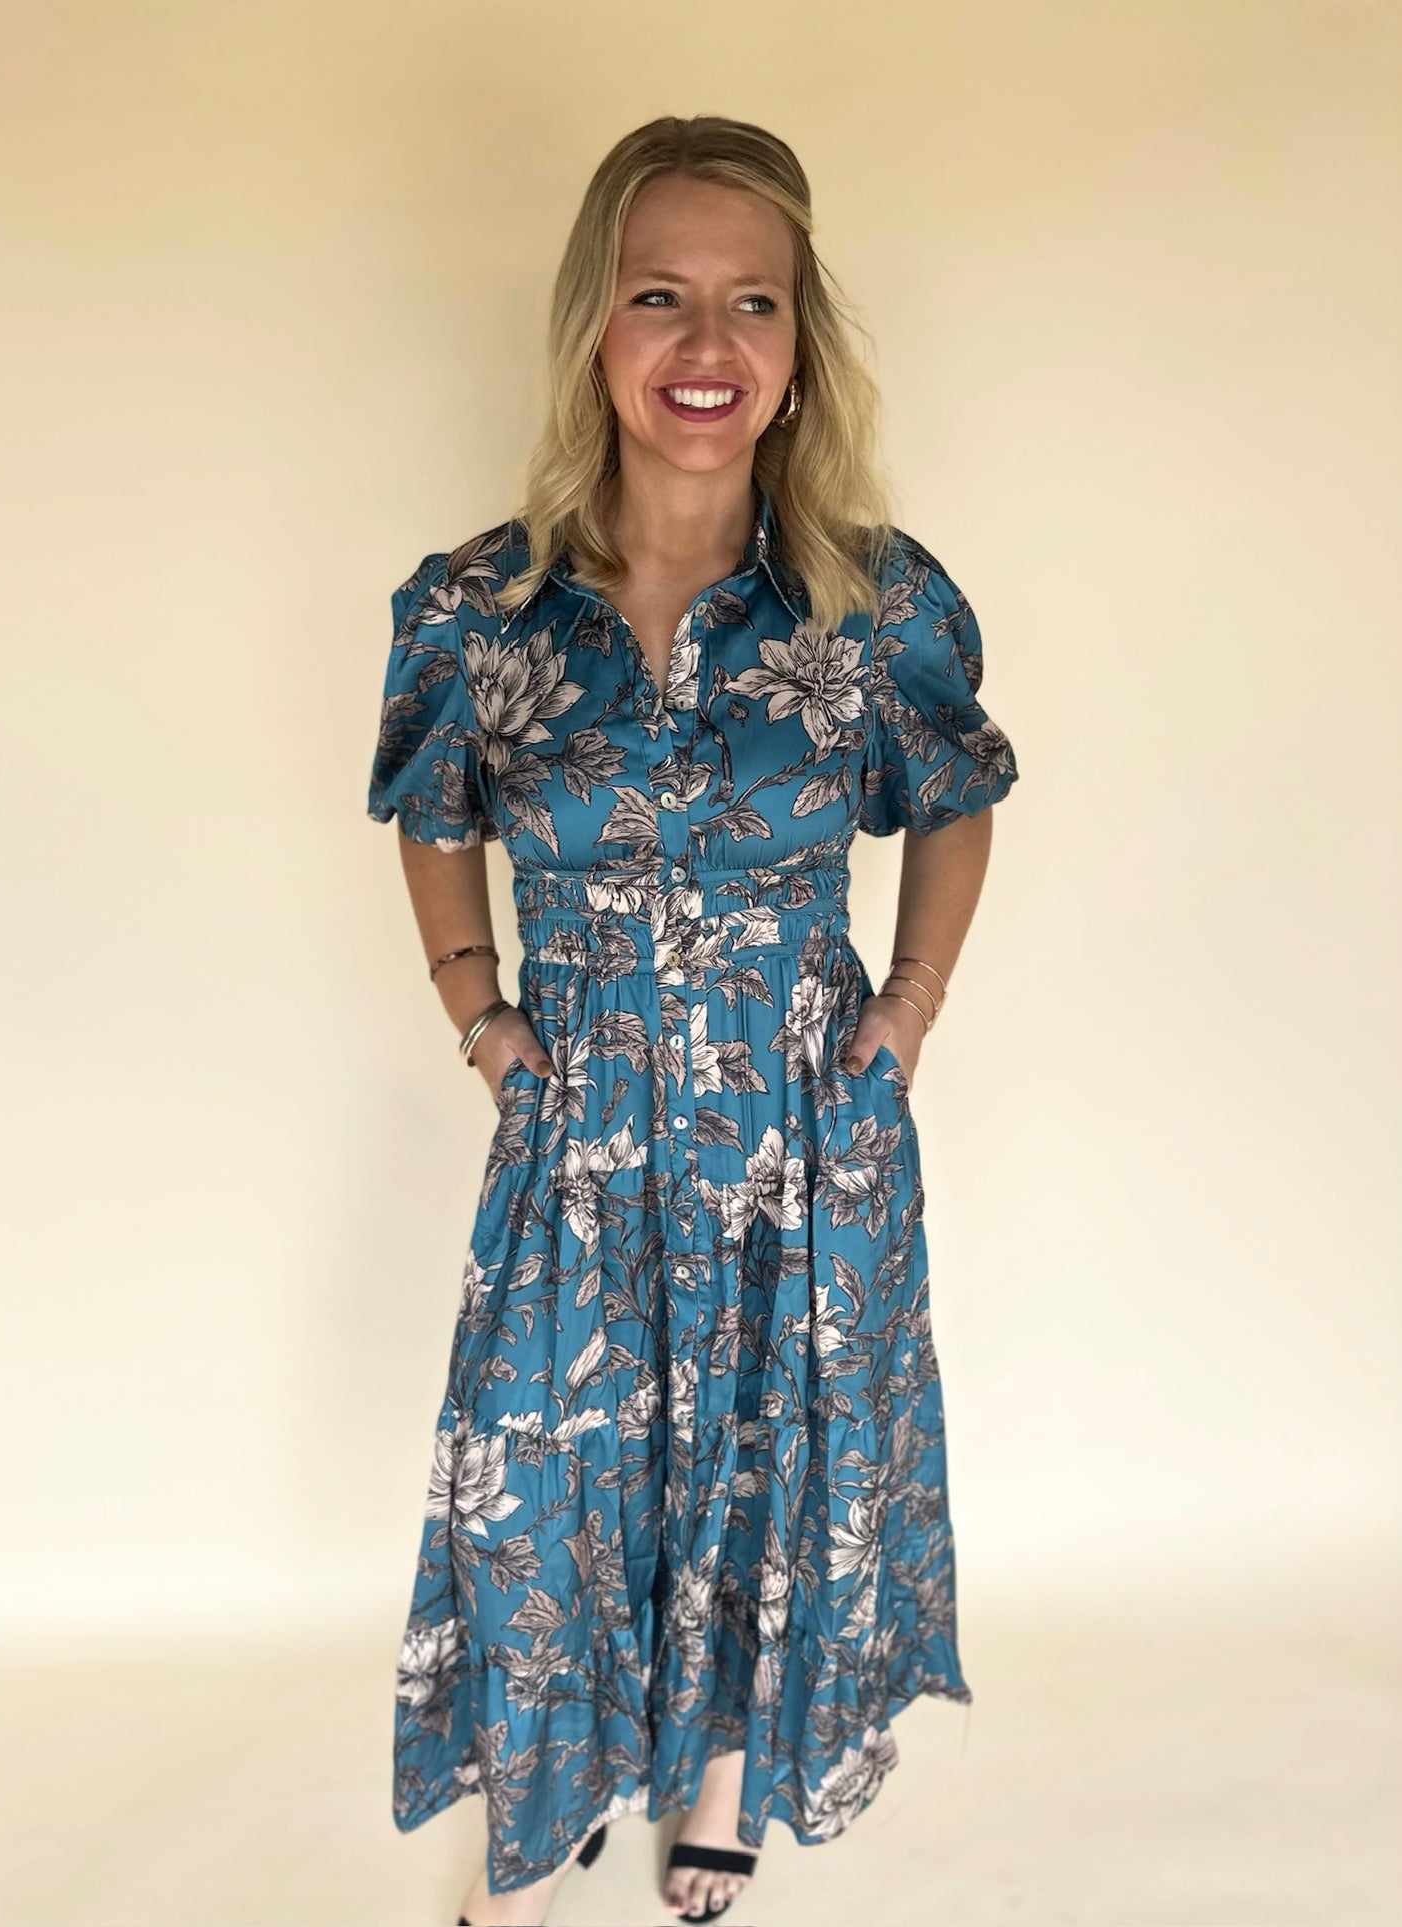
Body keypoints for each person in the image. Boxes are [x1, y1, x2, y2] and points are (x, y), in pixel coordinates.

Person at [367, 113, 1019, 1927]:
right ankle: (561, 1784)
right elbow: (433, 815)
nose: (705, 346)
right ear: (596, 324)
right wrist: (479, 1015)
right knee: (543, 1480)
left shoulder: (873, 605)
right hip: (577, 1134)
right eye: (661, 296)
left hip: (799, 1130)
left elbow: (956, 791)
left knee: (762, 1462)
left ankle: (720, 1772)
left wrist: (904, 1013)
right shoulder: (476, 610)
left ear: (801, 350)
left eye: (753, 302)